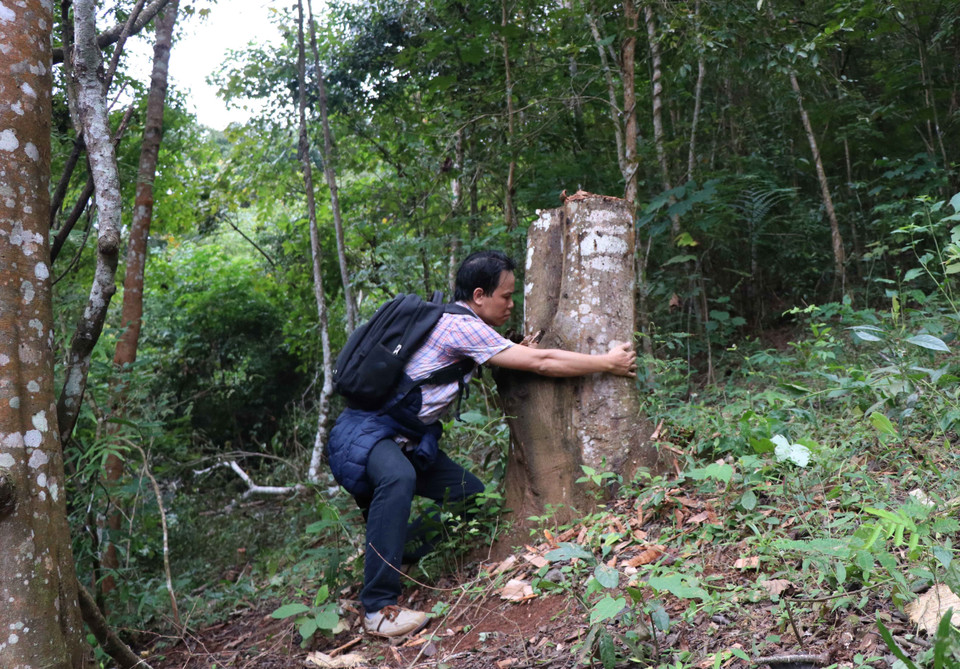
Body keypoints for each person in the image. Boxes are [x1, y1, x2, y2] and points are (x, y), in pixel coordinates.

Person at [326, 250, 637, 638]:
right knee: (398, 477)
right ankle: (376, 609)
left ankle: (395, 552)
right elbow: (542, 362)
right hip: (366, 431)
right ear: (478, 295)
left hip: (402, 437)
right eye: (505, 296)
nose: (511, 304)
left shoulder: (462, 326)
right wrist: (606, 362)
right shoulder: (462, 327)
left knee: (468, 495)